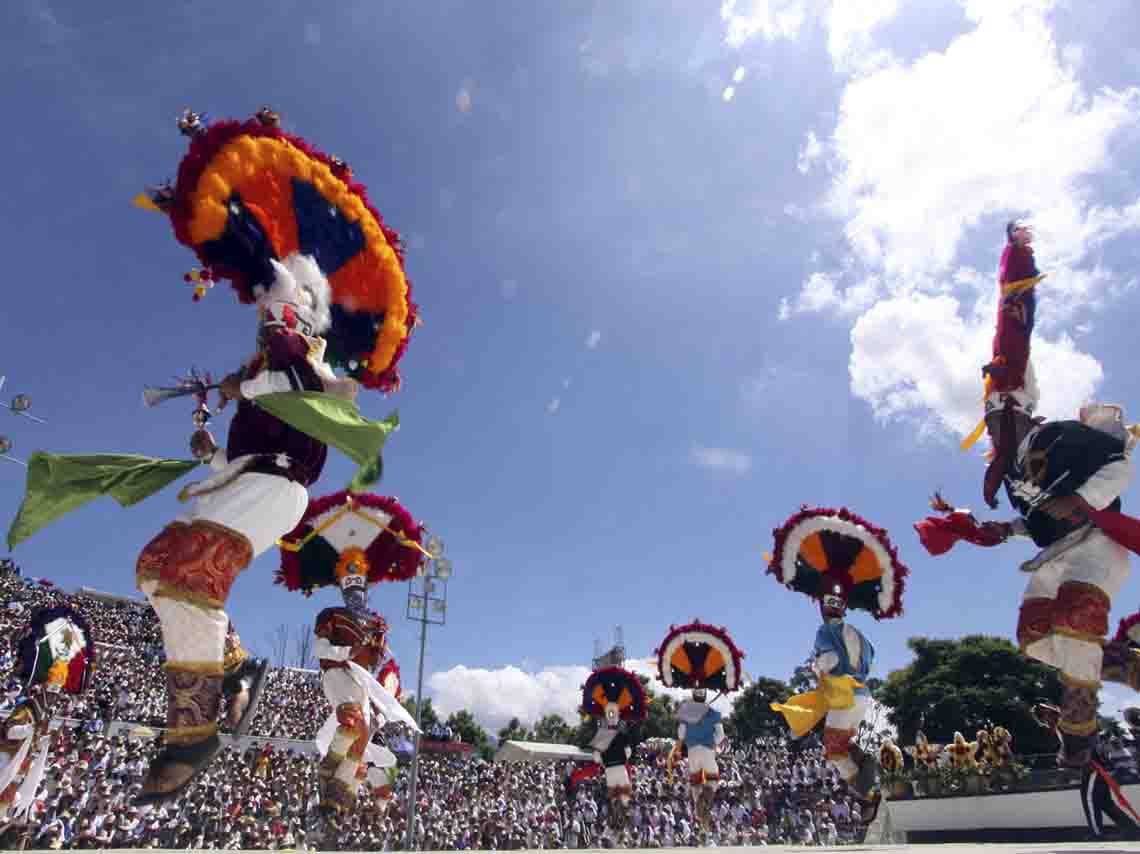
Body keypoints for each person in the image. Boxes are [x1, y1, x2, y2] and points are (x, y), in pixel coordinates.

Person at [133, 254, 337, 804]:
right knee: (155, 568)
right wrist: (213, 455)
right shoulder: (267, 371)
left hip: (278, 489)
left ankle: (194, 734)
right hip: (249, 482)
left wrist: (241, 388)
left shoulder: (305, 365)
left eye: (275, 317)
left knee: (186, 575)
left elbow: (298, 384)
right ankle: (233, 666)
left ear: (294, 319)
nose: (266, 326)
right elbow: (246, 457)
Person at [920, 403, 1140, 766]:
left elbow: (1119, 465)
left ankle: (1078, 732)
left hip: (1097, 541)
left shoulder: (1058, 435)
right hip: (1053, 555)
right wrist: (1007, 529)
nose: (990, 432)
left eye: (994, 423)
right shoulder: (1009, 474)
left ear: (1018, 414)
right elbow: (1037, 520)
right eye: (987, 425)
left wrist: (1081, 499)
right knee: (1035, 640)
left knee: (1076, 617)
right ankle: (1128, 667)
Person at [677, 688, 725, 828]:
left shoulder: (686, 712)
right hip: (707, 749)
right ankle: (704, 801)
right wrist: (712, 743)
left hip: (692, 751)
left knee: (695, 782)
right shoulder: (713, 713)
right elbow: (721, 735)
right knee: (713, 779)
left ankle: (699, 804)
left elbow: (680, 734)